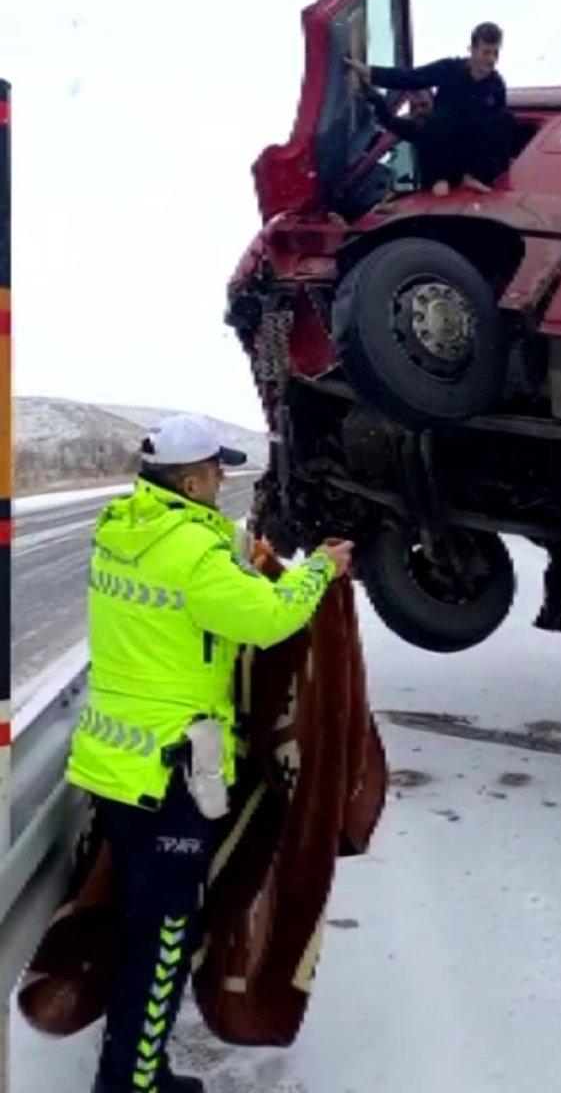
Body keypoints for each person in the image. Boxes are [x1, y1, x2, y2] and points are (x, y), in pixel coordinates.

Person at [65, 412, 353, 1093]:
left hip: (115, 761)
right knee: (163, 935)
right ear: (192, 479)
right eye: (217, 470)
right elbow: (269, 617)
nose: (222, 479)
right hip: (169, 774)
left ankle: (127, 1068)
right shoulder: (193, 551)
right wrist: (318, 571)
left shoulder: (120, 530)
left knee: (140, 920)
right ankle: (134, 1083)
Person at [347, 21, 511, 196]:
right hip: (443, 146)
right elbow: (411, 77)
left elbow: (496, 136)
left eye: (495, 53)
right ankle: (439, 178)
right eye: (486, 52)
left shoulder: (496, 86)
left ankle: (473, 176)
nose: (491, 59)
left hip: (471, 153)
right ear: (472, 50)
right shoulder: (449, 69)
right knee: (443, 118)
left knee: (502, 120)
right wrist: (369, 72)